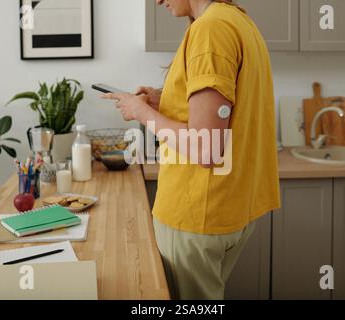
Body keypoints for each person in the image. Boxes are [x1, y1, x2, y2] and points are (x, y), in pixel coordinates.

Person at [102, 0, 280, 300]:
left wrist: (141, 113)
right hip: (233, 206)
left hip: (197, 210)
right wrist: (164, 99)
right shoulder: (237, 21)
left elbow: (205, 147)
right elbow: (221, 110)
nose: (157, 0)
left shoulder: (210, 29)